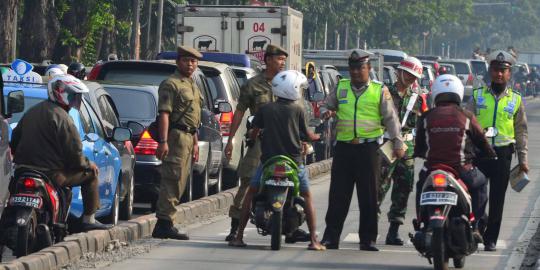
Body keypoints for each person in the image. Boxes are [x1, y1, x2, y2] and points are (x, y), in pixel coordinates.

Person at [228, 70, 325, 250]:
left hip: (268, 162)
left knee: (250, 193)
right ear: (294, 89)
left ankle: (239, 236)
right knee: (307, 196)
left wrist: (252, 135)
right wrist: (316, 136)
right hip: (294, 162)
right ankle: (314, 240)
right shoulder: (298, 109)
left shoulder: (266, 109)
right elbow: (307, 134)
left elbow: (254, 131)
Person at [319, 49, 404, 251]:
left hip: (369, 150)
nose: (356, 72)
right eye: (353, 68)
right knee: (338, 196)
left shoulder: (379, 90)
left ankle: (368, 240)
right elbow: (325, 106)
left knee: (368, 197)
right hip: (344, 149)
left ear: (369, 68)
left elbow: (391, 119)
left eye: (360, 68)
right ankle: (331, 238)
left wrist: (398, 143)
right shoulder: (341, 87)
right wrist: (326, 112)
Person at [223, 45, 309, 243]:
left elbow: (299, 115)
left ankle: (291, 225)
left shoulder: (291, 83)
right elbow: (239, 112)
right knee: (248, 182)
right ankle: (236, 227)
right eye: (278, 59)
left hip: (287, 144)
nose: (282, 63)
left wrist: (303, 140)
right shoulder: (253, 85)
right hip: (260, 142)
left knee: (294, 184)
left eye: (283, 60)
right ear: (268, 59)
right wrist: (230, 140)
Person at [10, 75, 112, 231]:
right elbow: (74, 154)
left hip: (22, 170)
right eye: (71, 96)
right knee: (91, 174)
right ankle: (89, 220)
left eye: (75, 97)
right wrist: (87, 164)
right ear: (59, 93)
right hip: (51, 174)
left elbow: (15, 140)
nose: (74, 101)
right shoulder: (64, 118)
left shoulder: (31, 112)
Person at [414, 74, 496, 244]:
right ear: (458, 93)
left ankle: (421, 222)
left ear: (435, 93)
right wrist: (490, 153)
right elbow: (481, 138)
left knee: (421, 187)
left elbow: (419, 145)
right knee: (481, 185)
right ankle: (475, 225)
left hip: (432, 168)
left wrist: (420, 153)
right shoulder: (466, 115)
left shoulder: (426, 116)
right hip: (461, 169)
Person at [466, 50, 529, 251]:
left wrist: (523, 159)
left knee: (497, 199)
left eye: (503, 71)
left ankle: (491, 238)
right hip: (479, 153)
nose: (499, 74)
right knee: (475, 193)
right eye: (495, 70)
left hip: (503, 154)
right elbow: (466, 124)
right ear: (490, 71)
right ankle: (477, 226)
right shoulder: (477, 96)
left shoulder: (516, 100)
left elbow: (521, 131)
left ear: (509, 74)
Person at [151, 46, 203, 240]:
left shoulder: (192, 84)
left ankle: (167, 221)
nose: (190, 64)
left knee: (180, 181)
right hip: (176, 137)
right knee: (172, 179)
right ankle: (164, 223)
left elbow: (193, 118)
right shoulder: (170, 84)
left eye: (193, 61)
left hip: (189, 137)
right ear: (177, 62)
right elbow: (164, 113)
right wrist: (163, 141)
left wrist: (196, 142)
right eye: (186, 60)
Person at [377, 57, 424, 246]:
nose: (411, 79)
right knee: (379, 188)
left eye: (414, 76)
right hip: (386, 145)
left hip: (407, 149)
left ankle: (393, 231)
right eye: (408, 74)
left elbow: (421, 124)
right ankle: (370, 227)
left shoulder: (419, 96)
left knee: (403, 189)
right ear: (400, 72)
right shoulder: (384, 92)